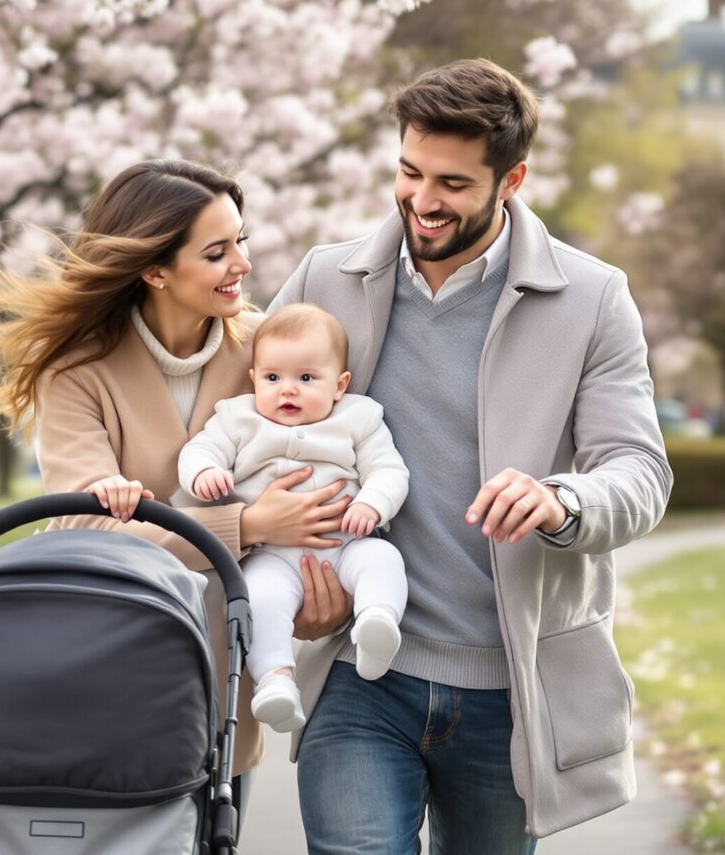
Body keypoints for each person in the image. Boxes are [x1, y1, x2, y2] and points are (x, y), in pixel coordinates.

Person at [270, 59, 673, 852]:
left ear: (511, 178)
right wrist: (286, 561)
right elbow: (240, 421)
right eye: (409, 172)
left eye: (452, 184)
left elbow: (639, 470)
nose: (423, 201)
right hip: (362, 671)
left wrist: (563, 501)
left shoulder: (592, 300)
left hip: (508, 691)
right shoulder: (326, 278)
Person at [0, 159, 357, 822]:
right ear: (156, 271)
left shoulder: (265, 356)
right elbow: (92, 527)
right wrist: (245, 526)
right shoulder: (80, 369)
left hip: (212, 675)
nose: (241, 264)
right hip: (95, 654)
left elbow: (318, 479)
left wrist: (316, 591)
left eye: (241, 240)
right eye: (216, 251)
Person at [176, 303, 410, 734]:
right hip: (272, 554)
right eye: (272, 378)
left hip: (347, 543)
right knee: (259, 598)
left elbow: (389, 471)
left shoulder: (359, 417)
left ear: (340, 385)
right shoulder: (237, 416)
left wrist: (371, 504)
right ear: (253, 380)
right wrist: (204, 473)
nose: (288, 390)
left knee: (382, 561)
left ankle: (377, 622)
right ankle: (275, 681)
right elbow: (199, 451)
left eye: (306, 378)